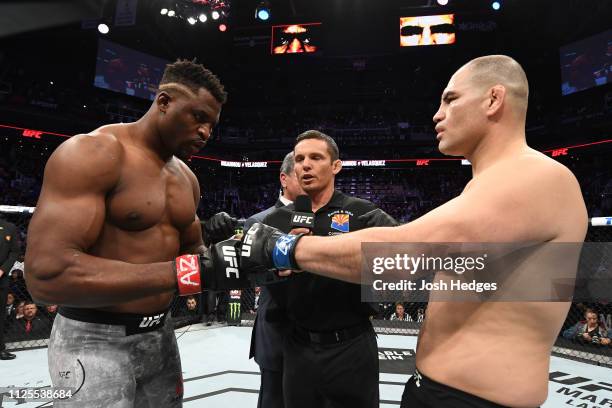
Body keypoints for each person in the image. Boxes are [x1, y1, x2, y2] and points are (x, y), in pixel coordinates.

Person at [241, 55, 589, 407]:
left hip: (474, 400)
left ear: (493, 99)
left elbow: (404, 254)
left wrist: (283, 247)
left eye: (450, 99)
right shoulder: (486, 188)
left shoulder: (537, 179)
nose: (438, 114)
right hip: (439, 389)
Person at [24, 59, 239, 407]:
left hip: (161, 334)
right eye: (198, 117)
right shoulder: (93, 153)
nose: (205, 132)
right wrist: (188, 272)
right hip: (92, 339)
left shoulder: (187, 179)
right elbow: (46, 276)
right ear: (164, 102)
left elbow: (195, 258)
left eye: (211, 126)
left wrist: (225, 251)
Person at [259, 131, 398, 408]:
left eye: (315, 157)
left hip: (351, 346)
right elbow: (259, 277)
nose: (305, 165)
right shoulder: (276, 220)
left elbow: (397, 264)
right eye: (299, 159)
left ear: (336, 166)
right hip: (298, 346)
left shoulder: (362, 213)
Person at [246, 152, 304, 408]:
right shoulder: (259, 222)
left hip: (317, 335)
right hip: (277, 332)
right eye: (301, 174)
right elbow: (250, 273)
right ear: (284, 178)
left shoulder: (325, 219)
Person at [0, 216, 20, 360]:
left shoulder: (9, 227)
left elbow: (14, 252)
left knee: (0, 314)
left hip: (1, 277)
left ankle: (0, 348)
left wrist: (2, 270)